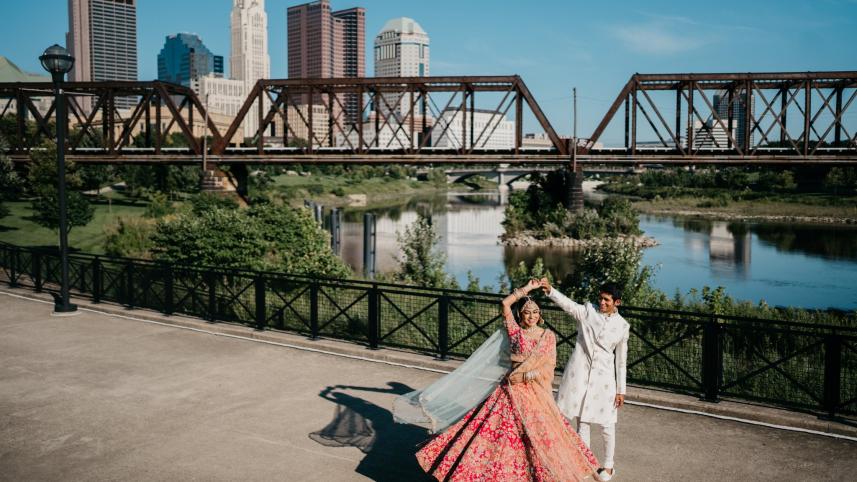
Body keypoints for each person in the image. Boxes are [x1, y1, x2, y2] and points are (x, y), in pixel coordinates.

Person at [393, 280, 602, 481]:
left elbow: (549, 366)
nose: (531, 316)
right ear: (520, 315)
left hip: (534, 394)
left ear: (541, 315)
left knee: (540, 437)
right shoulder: (515, 331)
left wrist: (526, 375)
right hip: (508, 391)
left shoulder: (547, 336)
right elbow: (505, 303)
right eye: (527, 312)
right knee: (495, 435)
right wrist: (527, 289)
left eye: (536, 312)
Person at [540, 279, 630, 482]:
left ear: (617, 302)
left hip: (605, 381)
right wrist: (550, 290)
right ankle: (584, 464)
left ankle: (608, 467)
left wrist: (621, 390)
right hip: (580, 375)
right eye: (600, 298)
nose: (602, 303)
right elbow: (568, 305)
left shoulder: (623, 326)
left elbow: (621, 361)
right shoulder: (588, 312)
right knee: (583, 422)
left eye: (607, 300)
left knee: (608, 424)